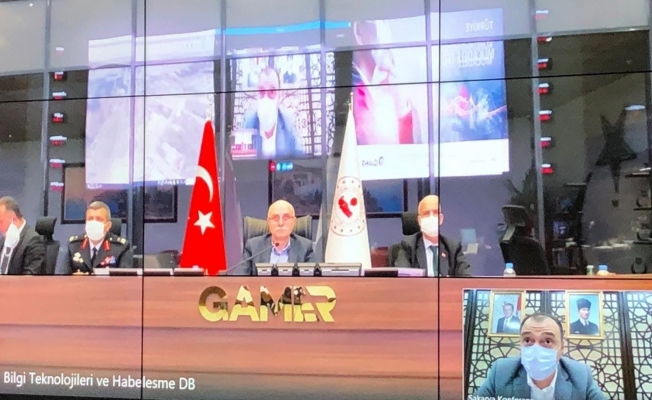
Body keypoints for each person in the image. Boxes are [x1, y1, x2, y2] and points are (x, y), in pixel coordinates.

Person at [474, 312, 604, 400]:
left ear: (561, 348)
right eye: (527, 340)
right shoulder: (501, 372)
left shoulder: (581, 375)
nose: (536, 348)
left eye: (547, 341)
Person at [351, 20, 419, 145]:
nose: (387, 28)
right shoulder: (349, 93)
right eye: (381, 20)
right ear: (358, 31)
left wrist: (401, 106)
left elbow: (415, 149)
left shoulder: (392, 87)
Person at [393, 195, 470, 277]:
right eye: (426, 213)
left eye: (435, 213)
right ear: (419, 220)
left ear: (441, 219)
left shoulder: (453, 248)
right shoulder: (408, 246)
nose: (431, 217)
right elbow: (402, 279)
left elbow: (466, 278)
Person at [233, 200, 314, 276]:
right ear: (268, 222)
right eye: (275, 218)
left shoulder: (305, 247)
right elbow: (238, 279)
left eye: (286, 218)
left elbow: (313, 281)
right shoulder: (253, 247)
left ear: (294, 222)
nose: (280, 223)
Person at [242, 68, 303, 159]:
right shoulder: (248, 122)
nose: (266, 98)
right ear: (257, 95)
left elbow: (300, 159)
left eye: (272, 91)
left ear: (280, 96)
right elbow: (242, 163)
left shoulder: (288, 122)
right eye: (262, 91)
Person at [61, 201, 132, 275]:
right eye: (90, 219)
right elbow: (62, 276)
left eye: (99, 219)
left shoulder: (121, 248)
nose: (93, 222)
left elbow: (125, 278)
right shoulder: (74, 246)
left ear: (108, 226)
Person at [0, 196, 45, 275]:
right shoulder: (4, 239)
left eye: (1, 222)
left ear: (14, 220)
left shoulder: (34, 241)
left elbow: (29, 276)